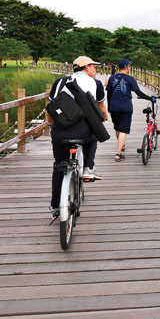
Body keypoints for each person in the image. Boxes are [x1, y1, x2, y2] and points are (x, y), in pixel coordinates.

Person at [47, 56, 107, 216]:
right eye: (94, 66)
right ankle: (88, 168)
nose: (95, 69)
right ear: (86, 67)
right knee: (93, 136)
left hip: (60, 131)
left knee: (59, 165)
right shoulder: (96, 83)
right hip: (83, 131)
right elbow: (101, 106)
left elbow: (51, 107)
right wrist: (104, 116)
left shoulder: (60, 82)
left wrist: (51, 125)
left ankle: (55, 206)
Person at [106, 58, 155, 162]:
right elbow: (139, 93)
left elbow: (109, 94)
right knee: (123, 129)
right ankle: (118, 154)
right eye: (129, 66)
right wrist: (150, 98)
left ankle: (121, 145)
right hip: (126, 107)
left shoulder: (111, 78)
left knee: (117, 128)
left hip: (114, 107)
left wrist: (109, 107)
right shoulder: (130, 79)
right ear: (127, 67)